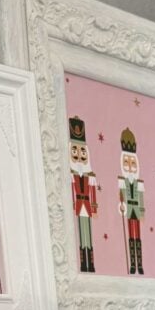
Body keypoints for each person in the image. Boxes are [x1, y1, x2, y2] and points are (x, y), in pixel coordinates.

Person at [68, 116, 99, 272]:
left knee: (89, 237)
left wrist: (94, 207)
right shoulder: (72, 176)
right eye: (75, 152)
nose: (79, 156)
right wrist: (73, 205)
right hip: (79, 205)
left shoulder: (89, 176)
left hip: (86, 205)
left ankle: (91, 262)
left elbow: (92, 192)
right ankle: (83, 263)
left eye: (82, 152)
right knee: (82, 236)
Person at [118, 127, 145, 275]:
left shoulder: (139, 183)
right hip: (128, 210)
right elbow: (121, 196)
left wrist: (142, 211)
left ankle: (139, 264)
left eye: (132, 163)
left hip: (136, 210)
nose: (130, 166)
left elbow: (140, 197)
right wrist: (121, 205)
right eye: (127, 163)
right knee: (131, 236)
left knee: (138, 236)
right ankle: (133, 264)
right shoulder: (123, 182)